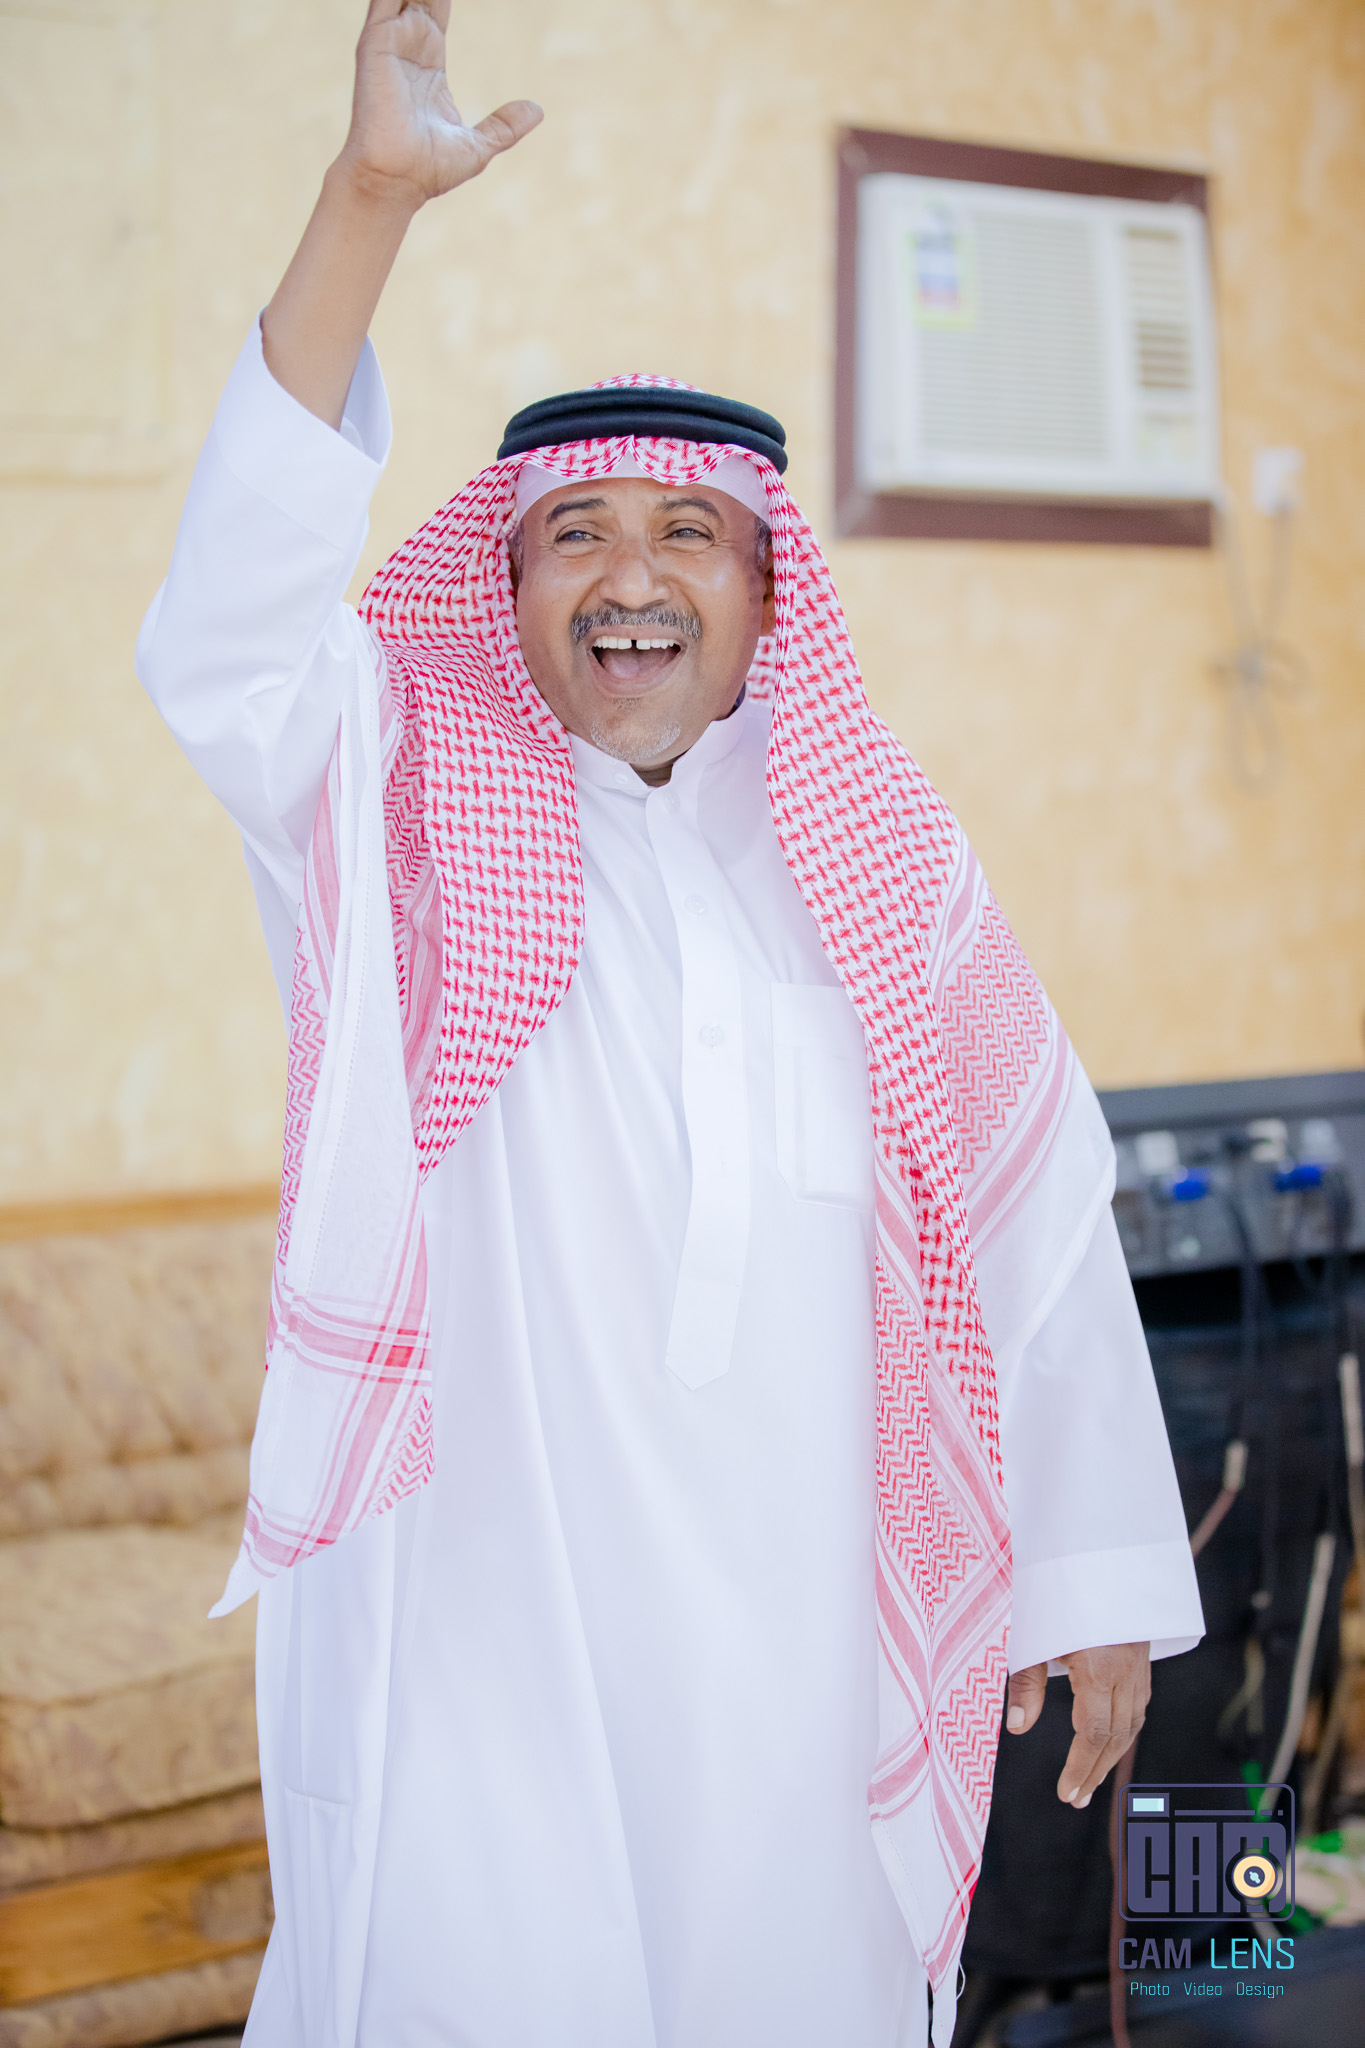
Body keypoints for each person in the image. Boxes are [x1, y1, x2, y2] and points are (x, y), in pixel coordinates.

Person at [136, 5, 1203, 2044]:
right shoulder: (394, 818)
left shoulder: (887, 879)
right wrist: (366, 203)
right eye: (573, 533)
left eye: (685, 532)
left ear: (764, 595)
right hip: (490, 1638)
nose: (628, 576)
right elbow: (228, 635)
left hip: (801, 1659)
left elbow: (1033, 1223)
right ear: (507, 586)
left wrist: (1085, 1578)